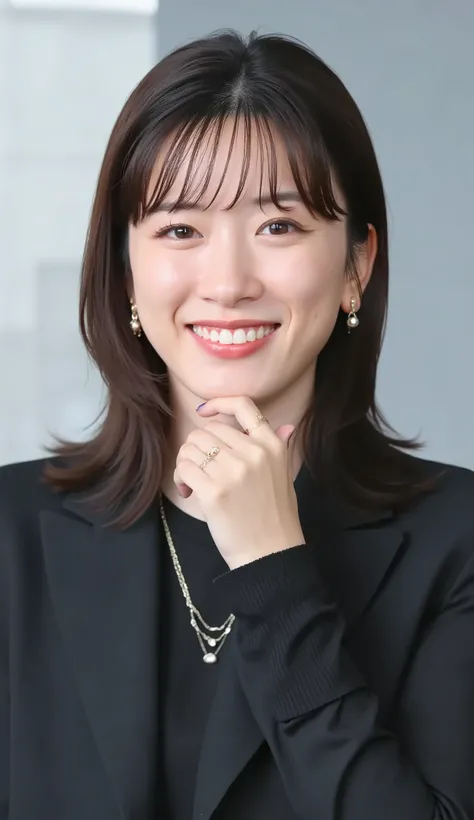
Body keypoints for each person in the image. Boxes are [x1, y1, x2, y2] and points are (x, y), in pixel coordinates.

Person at [0, 28, 473, 820]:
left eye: (279, 226)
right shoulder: (11, 535)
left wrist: (272, 569)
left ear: (357, 263)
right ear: (125, 268)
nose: (227, 282)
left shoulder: (455, 541)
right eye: (180, 229)